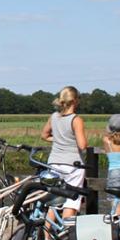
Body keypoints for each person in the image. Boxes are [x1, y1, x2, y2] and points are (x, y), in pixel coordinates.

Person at [41, 86, 87, 221]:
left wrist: (58, 139)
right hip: (72, 165)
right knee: (71, 201)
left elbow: (44, 135)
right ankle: (66, 234)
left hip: (54, 162)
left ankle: (47, 235)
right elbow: (82, 145)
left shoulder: (54, 117)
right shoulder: (76, 119)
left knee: (54, 200)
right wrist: (70, 141)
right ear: (74, 101)